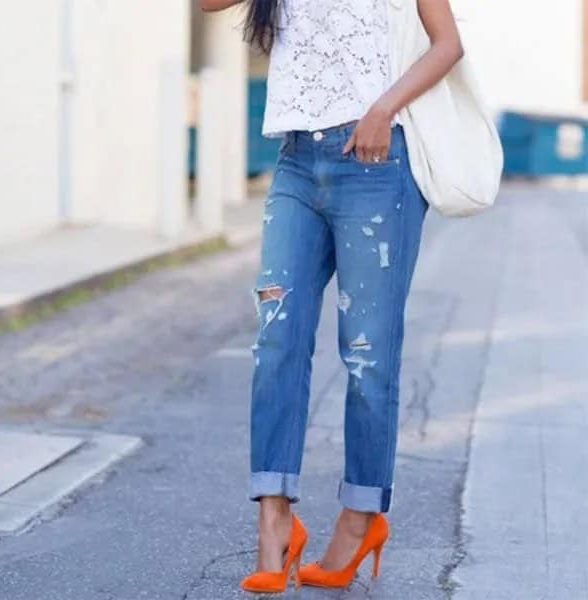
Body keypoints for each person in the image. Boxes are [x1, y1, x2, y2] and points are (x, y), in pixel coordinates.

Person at [200, 0, 464, 593]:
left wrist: (383, 109)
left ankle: (360, 517)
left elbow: (447, 43)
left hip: (375, 160)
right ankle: (275, 520)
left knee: (368, 356)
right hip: (296, 162)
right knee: (276, 340)